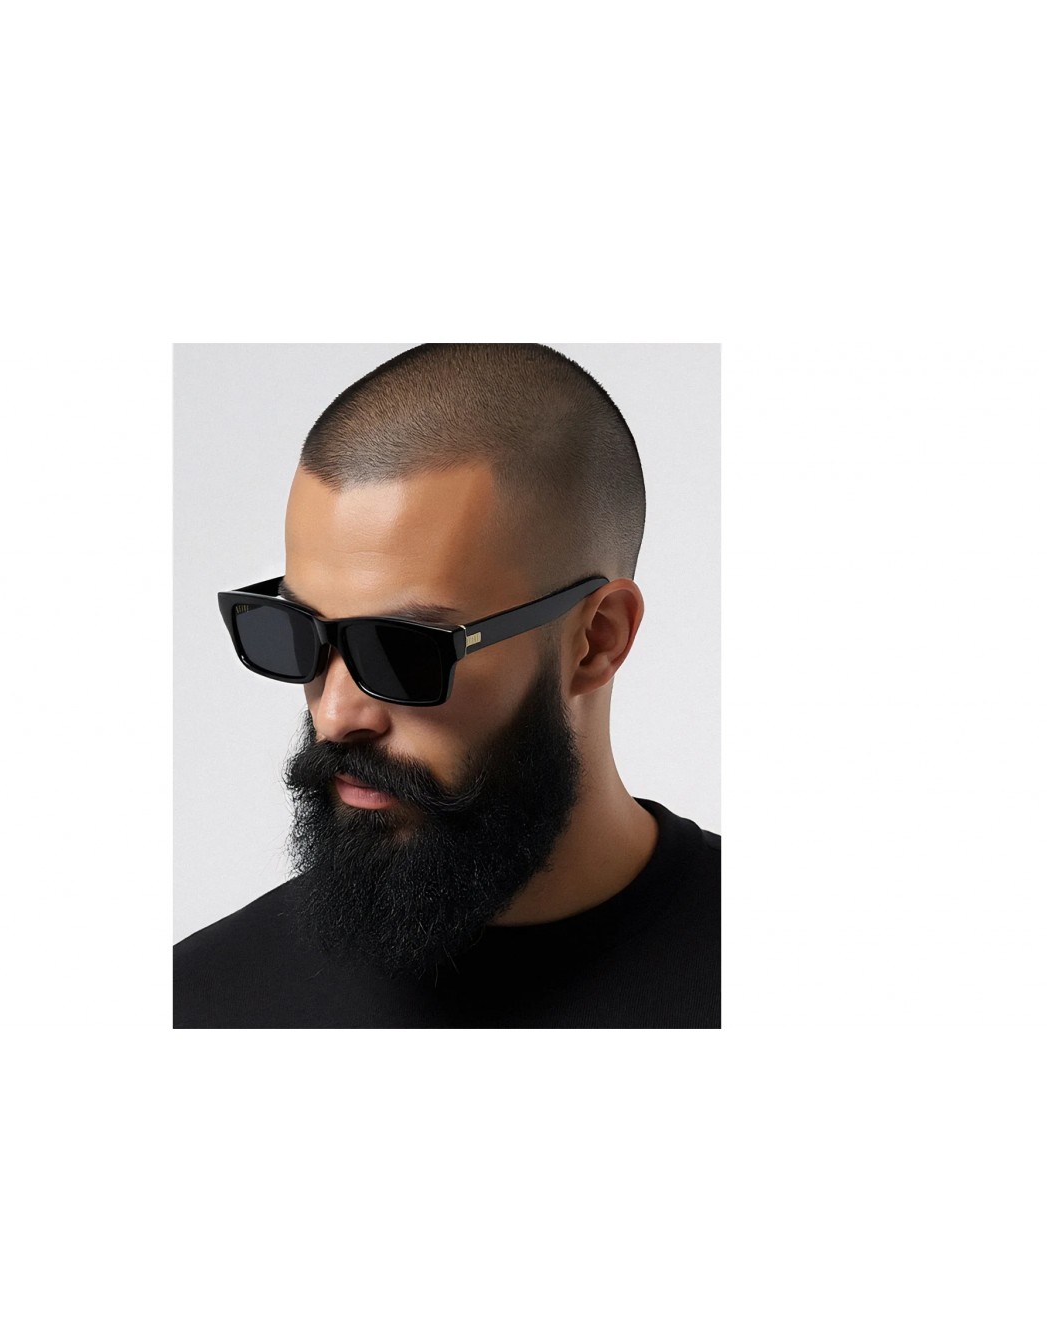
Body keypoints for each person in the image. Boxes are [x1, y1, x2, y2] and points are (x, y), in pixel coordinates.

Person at [174, 343, 719, 1028]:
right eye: (296, 630)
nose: (334, 715)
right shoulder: (196, 1003)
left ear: (597, 639)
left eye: (401, 650)